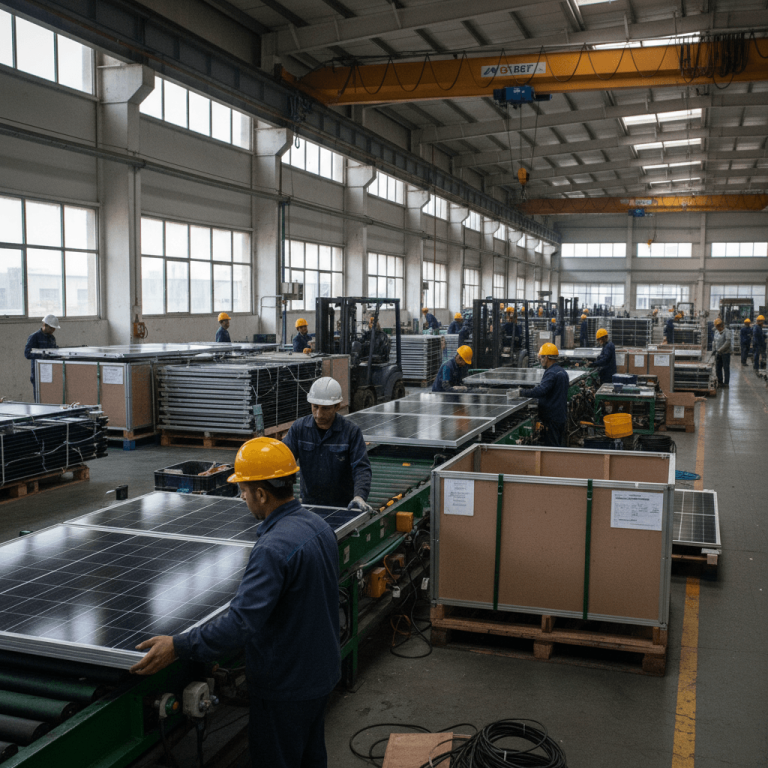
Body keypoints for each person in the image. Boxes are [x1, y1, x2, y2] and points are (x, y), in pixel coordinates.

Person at [130, 437, 340, 768]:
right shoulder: (319, 526)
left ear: (261, 492)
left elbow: (239, 625)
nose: (242, 497)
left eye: (243, 489)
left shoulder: (272, 549)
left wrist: (179, 645)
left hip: (285, 686)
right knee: (311, 758)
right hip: (321, 673)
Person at [283, 377, 372, 511]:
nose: (318, 414)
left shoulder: (351, 432)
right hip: (309, 505)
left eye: (325, 408)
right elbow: (282, 460)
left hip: (343, 507)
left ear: (337, 406)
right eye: (315, 407)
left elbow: (361, 468)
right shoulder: (299, 429)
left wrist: (359, 496)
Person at [518, 343, 569, 448]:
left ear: (546, 358)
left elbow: (541, 391)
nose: (540, 360)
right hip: (560, 416)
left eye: (541, 358)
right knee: (559, 445)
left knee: (552, 449)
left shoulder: (551, 373)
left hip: (552, 419)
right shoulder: (561, 371)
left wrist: (521, 392)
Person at [25, 314, 60, 397]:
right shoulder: (34, 337)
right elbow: (27, 354)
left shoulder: (52, 338)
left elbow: (53, 352)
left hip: (50, 372)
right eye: (51, 328)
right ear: (45, 325)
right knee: (40, 397)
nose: (53, 330)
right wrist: (43, 355)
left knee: (51, 397)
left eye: (54, 328)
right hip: (38, 373)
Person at [712, 318, 732, 389]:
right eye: (716, 327)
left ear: (721, 325)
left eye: (718, 326)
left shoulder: (727, 332)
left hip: (725, 353)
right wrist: (714, 349)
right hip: (718, 353)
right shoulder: (716, 332)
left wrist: (720, 349)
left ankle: (726, 383)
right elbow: (714, 341)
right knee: (718, 368)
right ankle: (720, 382)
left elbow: (728, 343)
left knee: (726, 368)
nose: (717, 328)